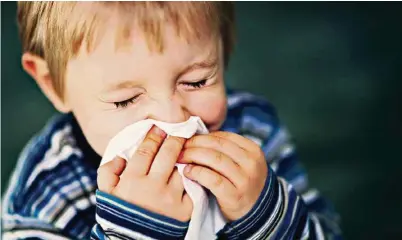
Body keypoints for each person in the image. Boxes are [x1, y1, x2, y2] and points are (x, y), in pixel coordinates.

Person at [2, 2, 342, 239]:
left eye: (196, 81)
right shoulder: (44, 199)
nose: (172, 117)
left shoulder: (253, 128)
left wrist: (264, 212)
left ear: (222, 51)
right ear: (52, 84)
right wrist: (137, 230)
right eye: (125, 100)